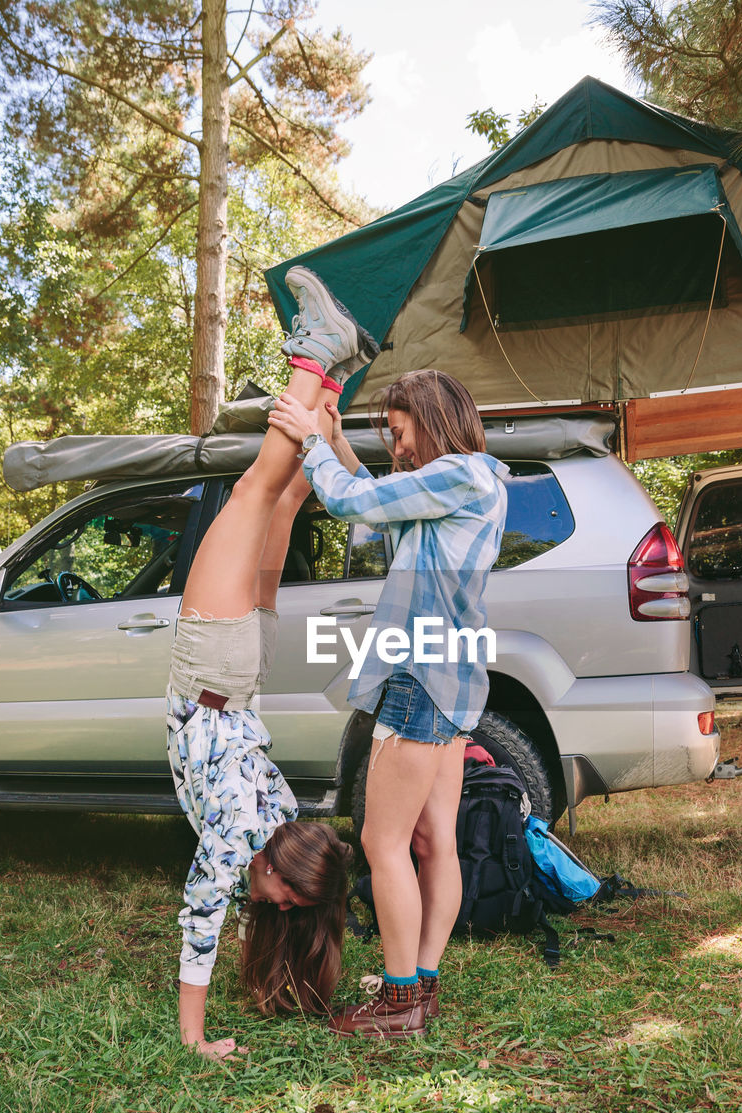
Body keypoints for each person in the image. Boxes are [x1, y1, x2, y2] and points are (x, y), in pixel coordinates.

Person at [268, 324, 510, 1037]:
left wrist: (305, 434)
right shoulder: (473, 482)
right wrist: (336, 442)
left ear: (436, 423)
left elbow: (350, 505)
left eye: (402, 433)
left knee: (382, 842)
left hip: (418, 675)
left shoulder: (458, 474)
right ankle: (422, 983)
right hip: (454, 678)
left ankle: (399, 1005)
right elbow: (382, 509)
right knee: (432, 840)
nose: (397, 447)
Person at [168, 267, 379, 1060]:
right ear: (285, 882)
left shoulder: (289, 816)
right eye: (283, 902)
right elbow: (199, 921)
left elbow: (237, 908)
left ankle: (335, 378)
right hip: (214, 665)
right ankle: (314, 357)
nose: (268, 906)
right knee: (258, 488)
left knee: (285, 500)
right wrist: (194, 1039)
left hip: (245, 661)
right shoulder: (236, 844)